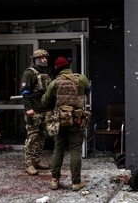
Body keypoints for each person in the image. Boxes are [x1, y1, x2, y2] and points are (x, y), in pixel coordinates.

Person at [42, 56, 91, 191]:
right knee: (75, 150)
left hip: (60, 120)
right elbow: (88, 90)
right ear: (69, 65)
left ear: (57, 68)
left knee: (58, 150)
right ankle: (76, 182)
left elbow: (45, 101)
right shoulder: (81, 79)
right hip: (77, 120)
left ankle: (54, 180)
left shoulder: (54, 83)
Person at [19, 49, 53, 175]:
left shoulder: (46, 73)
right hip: (35, 111)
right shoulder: (29, 73)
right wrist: (28, 108)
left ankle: (37, 159)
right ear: (35, 59)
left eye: (45, 58)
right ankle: (29, 163)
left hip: (45, 110)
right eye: (41, 58)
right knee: (32, 137)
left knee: (42, 136)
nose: (44, 60)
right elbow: (25, 93)